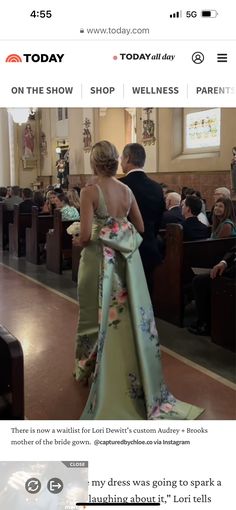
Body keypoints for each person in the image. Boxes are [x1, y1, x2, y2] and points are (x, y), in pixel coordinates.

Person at [73, 140, 202, 420]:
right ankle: (117, 368)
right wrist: (116, 230)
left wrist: (80, 238)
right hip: (121, 264)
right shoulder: (127, 190)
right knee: (119, 319)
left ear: (94, 162)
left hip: (96, 260)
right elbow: (141, 227)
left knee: (90, 316)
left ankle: (88, 368)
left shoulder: (89, 192)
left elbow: (84, 236)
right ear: (116, 160)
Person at [119, 143, 165, 297]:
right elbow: (159, 219)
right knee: (145, 297)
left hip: (125, 250)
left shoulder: (120, 185)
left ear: (127, 158)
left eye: (121, 158)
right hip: (149, 248)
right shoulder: (157, 187)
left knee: (126, 298)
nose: (120, 162)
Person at [189, 244, 236, 335]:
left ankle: (205, 325)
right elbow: (234, 249)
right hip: (231, 268)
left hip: (233, 275)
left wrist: (225, 273)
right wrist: (223, 262)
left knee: (199, 281)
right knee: (205, 277)